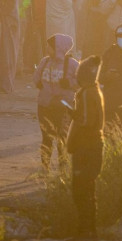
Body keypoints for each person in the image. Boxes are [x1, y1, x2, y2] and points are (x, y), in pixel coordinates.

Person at [65, 55, 105, 241]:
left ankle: (86, 232)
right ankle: (89, 232)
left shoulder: (88, 93)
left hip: (86, 147)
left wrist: (73, 114)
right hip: (90, 146)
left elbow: (87, 122)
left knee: (81, 191)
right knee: (87, 190)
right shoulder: (93, 91)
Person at [33, 34, 79, 172]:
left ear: (58, 48)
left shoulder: (72, 64)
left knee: (62, 138)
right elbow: (36, 77)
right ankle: (45, 166)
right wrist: (41, 85)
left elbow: (81, 81)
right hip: (45, 105)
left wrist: (70, 83)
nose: (47, 48)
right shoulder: (45, 61)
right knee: (46, 137)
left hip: (64, 107)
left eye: (50, 46)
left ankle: (63, 166)